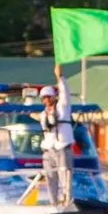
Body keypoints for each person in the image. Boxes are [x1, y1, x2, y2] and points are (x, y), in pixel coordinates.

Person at [39, 67, 76, 205]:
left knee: (65, 176)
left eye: (49, 96)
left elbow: (65, 92)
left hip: (62, 147)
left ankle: (67, 201)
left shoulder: (62, 107)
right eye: (44, 97)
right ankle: (53, 203)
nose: (47, 99)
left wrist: (60, 77)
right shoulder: (43, 114)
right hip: (48, 150)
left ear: (54, 97)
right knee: (50, 177)